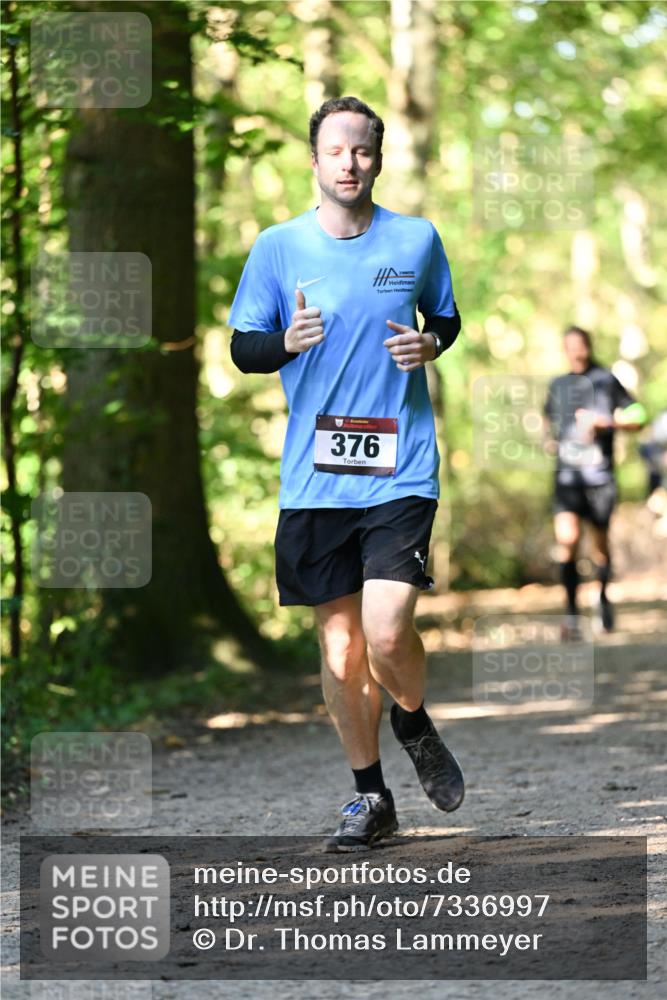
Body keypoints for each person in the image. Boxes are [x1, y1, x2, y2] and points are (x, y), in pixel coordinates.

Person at [228, 96, 463, 851]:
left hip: (401, 467)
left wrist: (430, 346)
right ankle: (370, 798)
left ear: (378, 158)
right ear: (315, 159)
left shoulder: (417, 239)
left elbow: (446, 320)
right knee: (339, 650)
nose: (349, 163)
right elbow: (243, 347)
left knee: (387, 633)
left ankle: (413, 718)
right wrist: (285, 344)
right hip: (315, 477)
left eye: (362, 150)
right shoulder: (277, 246)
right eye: (336, 150)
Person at [543, 326, 647, 636]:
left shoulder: (606, 380)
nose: (576, 351)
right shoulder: (557, 385)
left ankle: (602, 599)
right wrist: (548, 439)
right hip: (567, 476)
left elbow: (639, 415)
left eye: (581, 345)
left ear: (589, 346)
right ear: (564, 350)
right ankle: (572, 613)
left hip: (599, 477)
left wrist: (608, 423)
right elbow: (547, 421)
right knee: (568, 541)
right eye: (570, 346)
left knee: (600, 546)